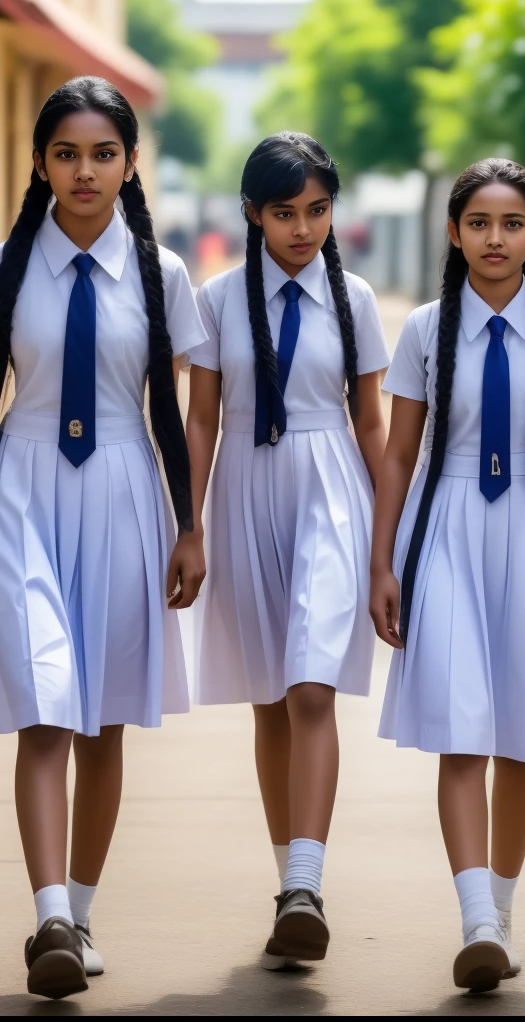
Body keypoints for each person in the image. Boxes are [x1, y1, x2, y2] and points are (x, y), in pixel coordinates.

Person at [0, 77, 206, 1000]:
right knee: (44, 704)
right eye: (67, 154)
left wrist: (189, 525)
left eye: (104, 154)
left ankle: (81, 910)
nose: (85, 172)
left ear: (130, 163)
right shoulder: (3, 270)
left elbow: (171, 411)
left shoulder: (163, 277)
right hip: (23, 494)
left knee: (103, 717)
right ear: (40, 163)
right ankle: (47, 915)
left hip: (124, 492)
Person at [369, 158, 525, 993]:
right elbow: (400, 452)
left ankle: (501, 908)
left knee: (524, 730)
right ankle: (474, 914)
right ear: (454, 232)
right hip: (452, 530)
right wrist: (384, 558)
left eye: (513, 224)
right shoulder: (425, 330)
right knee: (464, 724)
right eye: (479, 223)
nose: (496, 238)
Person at [178, 132, 390, 968]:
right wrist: (188, 526)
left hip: (332, 485)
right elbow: (201, 418)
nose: (303, 229)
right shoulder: (220, 299)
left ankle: (309, 878)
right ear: (252, 214)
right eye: (284, 213)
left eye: (318, 210)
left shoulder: (357, 298)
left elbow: (371, 421)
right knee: (269, 695)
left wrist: (391, 534)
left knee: (310, 684)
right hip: (243, 489)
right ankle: (287, 885)